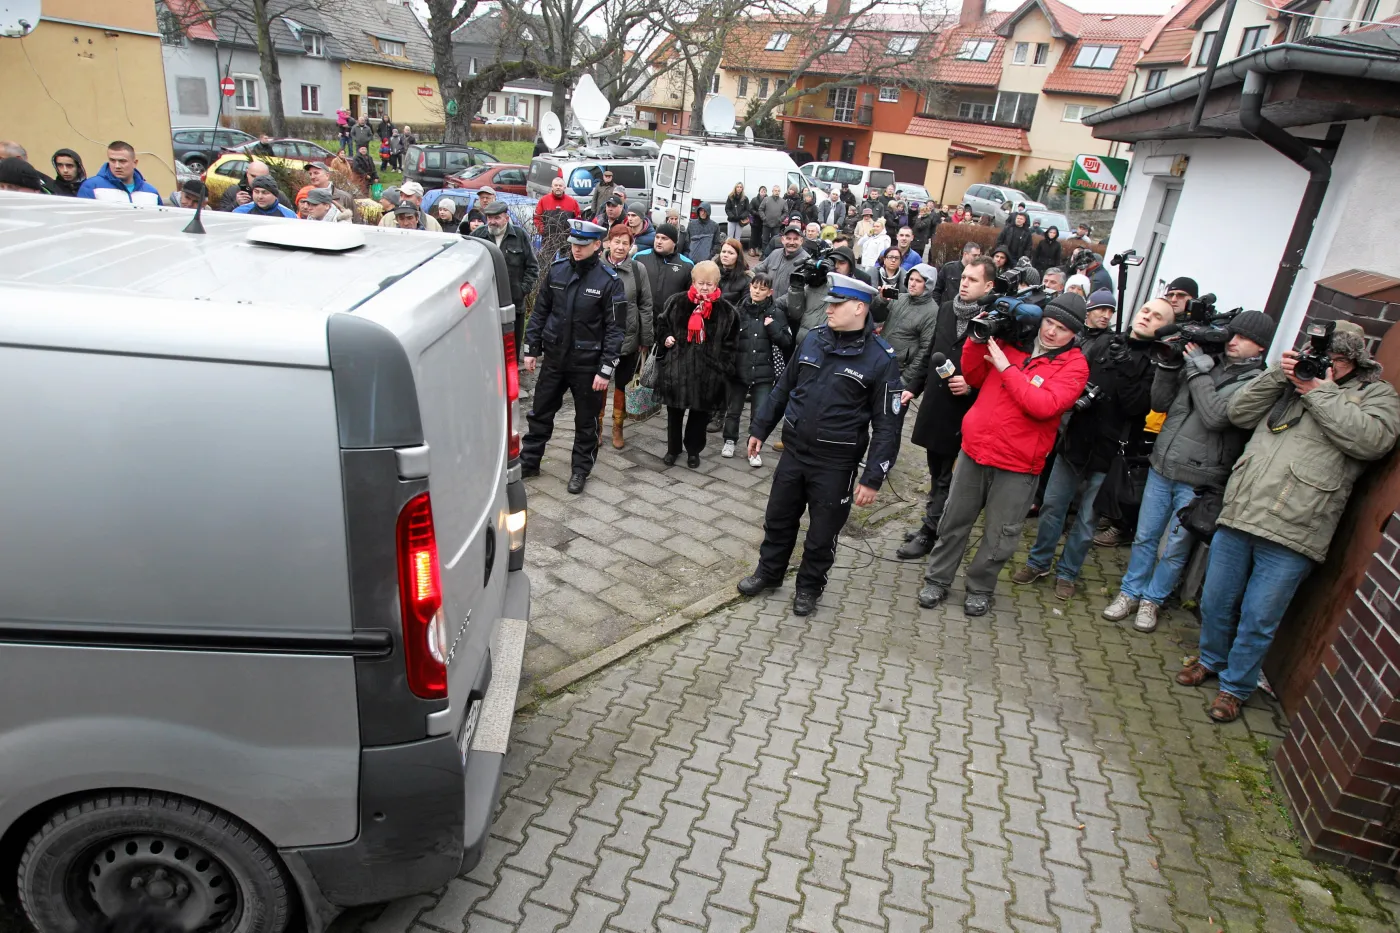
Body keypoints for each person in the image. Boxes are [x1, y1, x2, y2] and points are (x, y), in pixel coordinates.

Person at [1177, 321, 1400, 723]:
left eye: (1330, 358)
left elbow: (1373, 441)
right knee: (1216, 599)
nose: (1319, 363)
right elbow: (1239, 412)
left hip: (1297, 524)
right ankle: (1210, 660)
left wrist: (1322, 392)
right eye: (1317, 355)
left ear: (1350, 360)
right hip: (1244, 509)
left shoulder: (1375, 394)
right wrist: (1279, 374)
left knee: (1259, 616)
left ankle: (1235, 687)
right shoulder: (1289, 378)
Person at [738, 273, 902, 616]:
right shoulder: (813, 339)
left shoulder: (881, 359)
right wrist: (760, 428)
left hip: (835, 462)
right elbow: (784, 387)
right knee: (778, 519)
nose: (828, 309)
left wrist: (873, 476)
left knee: (822, 533)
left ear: (859, 308)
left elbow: (887, 425)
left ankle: (810, 587)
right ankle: (769, 574)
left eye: (836, 304)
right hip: (795, 452)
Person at [1103, 310, 1277, 633]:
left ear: (1262, 348)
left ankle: (1152, 600)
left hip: (1199, 479)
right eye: (1232, 334)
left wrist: (1197, 370)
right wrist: (1169, 363)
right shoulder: (1206, 360)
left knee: (1174, 548)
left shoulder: (1256, 382)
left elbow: (1217, 417)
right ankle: (1129, 592)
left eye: (1244, 338)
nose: (1234, 341)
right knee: (1144, 537)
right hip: (1162, 465)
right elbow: (1159, 402)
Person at [917, 293, 1090, 616]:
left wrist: (1007, 368)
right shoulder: (1014, 340)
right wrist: (977, 338)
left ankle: (980, 588)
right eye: (1048, 323)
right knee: (954, 520)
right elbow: (973, 376)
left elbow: (1043, 406)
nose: (1051, 332)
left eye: (1062, 329)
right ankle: (937, 580)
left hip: (1019, 464)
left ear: (1074, 335)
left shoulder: (1075, 366)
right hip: (975, 449)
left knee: (1000, 534)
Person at [1011, 298, 1173, 600]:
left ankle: (1068, 573)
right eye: (1146, 311)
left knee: (1086, 521)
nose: (1147, 317)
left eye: (1157, 317)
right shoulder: (1106, 343)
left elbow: (1138, 406)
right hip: (1075, 441)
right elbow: (1074, 379)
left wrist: (1125, 369)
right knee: (1051, 507)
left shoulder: (1158, 362)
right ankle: (1038, 562)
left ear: (1165, 328)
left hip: (1108, 454)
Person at [897, 257, 997, 559]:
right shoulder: (946, 309)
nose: (964, 283)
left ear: (988, 286)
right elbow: (931, 351)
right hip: (937, 405)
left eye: (973, 280)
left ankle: (930, 532)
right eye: (963, 277)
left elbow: (1000, 372)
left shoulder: (994, 321)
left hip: (967, 412)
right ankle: (933, 521)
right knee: (936, 470)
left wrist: (971, 386)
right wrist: (913, 386)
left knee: (948, 477)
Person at [520, 220, 626, 495]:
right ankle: (530, 461)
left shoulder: (609, 281)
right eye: (573, 245)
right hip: (555, 359)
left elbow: (615, 330)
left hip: (587, 364)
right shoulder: (558, 271)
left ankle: (580, 470)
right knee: (540, 413)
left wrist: (605, 370)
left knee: (586, 421)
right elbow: (541, 312)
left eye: (582, 245)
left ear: (596, 245)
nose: (576, 250)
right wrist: (531, 349)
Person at [653, 259, 739, 468]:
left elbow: (731, 343)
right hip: (678, 368)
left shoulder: (727, 312)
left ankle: (694, 450)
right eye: (701, 283)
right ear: (693, 281)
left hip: (708, 373)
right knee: (674, 413)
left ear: (717, 284)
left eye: (709, 284)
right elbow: (662, 324)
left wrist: (721, 366)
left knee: (700, 416)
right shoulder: (677, 302)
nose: (704, 287)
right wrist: (666, 338)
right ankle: (673, 449)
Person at [722, 271, 791, 465]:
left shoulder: (776, 313)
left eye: (762, 289)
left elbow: (786, 341)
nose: (757, 291)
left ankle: (754, 448)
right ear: (750, 286)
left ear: (770, 292)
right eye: (754, 287)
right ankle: (729, 440)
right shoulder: (739, 310)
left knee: (759, 414)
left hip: (764, 372)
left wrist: (773, 328)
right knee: (733, 409)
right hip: (739, 370)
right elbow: (728, 338)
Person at [600, 224, 654, 449]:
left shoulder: (638, 269)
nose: (620, 247)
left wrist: (645, 339)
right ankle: (596, 425)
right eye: (617, 241)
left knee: (622, 384)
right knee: (599, 384)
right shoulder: (596, 266)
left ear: (631, 246)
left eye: (625, 243)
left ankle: (617, 426)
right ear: (608, 243)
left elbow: (646, 305)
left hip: (628, 337)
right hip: (600, 337)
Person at [473, 200, 539, 364]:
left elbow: (532, 267)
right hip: (484, 305)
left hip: (513, 305)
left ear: (506, 218)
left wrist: (522, 290)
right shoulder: (479, 236)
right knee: (485, 350)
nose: (492, 222)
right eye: (489, 217)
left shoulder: (519, 235)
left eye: (497, 217)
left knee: (510, 352)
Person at [882, 263, 939, 391]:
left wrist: (905, 380)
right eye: (911, 279)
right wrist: (881, 300)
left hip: (898, 370)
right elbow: (876, 317)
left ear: (928, 285)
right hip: (879, 361)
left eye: (918, 281)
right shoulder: (900, 297)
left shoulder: (932, 312)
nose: (912, 284)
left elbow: (925, 351)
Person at [634, 222, 694, 313]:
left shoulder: (687, 265)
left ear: (674, 242)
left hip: (671, 321)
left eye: (664, 238)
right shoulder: (639, 258)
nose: (659, 241)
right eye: (657, 237)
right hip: (643, 317)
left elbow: (690, 296)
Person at [76, 141, 161, 205]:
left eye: (122, 161)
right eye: (112, 161)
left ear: (135, 163)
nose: (117, 166)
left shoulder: (151, 192)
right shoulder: (91, 186)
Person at [753, 222, 811, 306]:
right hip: (768, 306)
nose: (791, 242)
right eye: (788, 238)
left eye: (795, 239)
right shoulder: (775, 253)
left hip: (789, 311)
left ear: (801, 241)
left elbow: (803, 291)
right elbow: (757, 270)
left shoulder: (807, 262)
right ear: (782, 240)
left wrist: (775, 304)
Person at [931, 241, 980, 307]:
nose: (977, 258)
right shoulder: (949, 268)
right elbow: (937, 290)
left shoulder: (978, 272)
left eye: (978, 255)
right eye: (974, 255)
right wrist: (938, 308)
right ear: (965, 254)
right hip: (947, 309)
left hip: (966, 310)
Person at [535, 177, 582, 241]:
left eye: (560, 185)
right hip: (548, 239)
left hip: (567, 240)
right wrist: (543, 231)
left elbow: (578, 220)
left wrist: (573, 234)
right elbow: (537, 218)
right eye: (556, 185)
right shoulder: (543, 201)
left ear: (564, 188)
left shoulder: (572, 202)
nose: (558, 187)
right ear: (552, 187)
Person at [233, 175, 298, 218]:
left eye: (265, 193)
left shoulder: (289, 215)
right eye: (256, 192)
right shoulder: (240, 212)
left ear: (275, 195)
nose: (260, 196)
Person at [871, 247, 908, 321]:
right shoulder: (872, 274)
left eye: (897, 258)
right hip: (873, 318)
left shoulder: (906, 279)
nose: (893, 260)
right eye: (890, 257)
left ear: (900, 261)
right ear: (884, 260)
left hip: (895, 320)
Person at [716, 238, 750, 306]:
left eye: (730, 253)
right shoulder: (712, 273)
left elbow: (745, 306)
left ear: (738, 256)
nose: (725, 255)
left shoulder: (746, 279)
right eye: (723, 252)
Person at [759, 187, 787, 258]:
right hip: (766, 223)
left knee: (775, 240)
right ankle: (764, 254)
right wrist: (764, 218)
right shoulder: (766, 199)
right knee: (765, 240)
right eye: (775, 190)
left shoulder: (783, 201)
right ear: (772, 191)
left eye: (778, 191)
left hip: (777, 224)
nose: (777, 192)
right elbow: (760, 209)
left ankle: (774, 255)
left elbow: (786, 212)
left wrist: (780, 219)